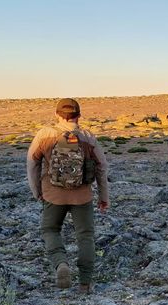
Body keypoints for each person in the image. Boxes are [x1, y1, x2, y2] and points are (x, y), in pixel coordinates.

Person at [26, 98, 109, 294]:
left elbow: (32, 163)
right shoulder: (87, 136)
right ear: (79, 115)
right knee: (85, 236)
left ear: (57, 115)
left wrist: (37, 191)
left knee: (50, 229)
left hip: (53, 194)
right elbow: (102, 167)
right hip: (82, 196)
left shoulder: (45, 135)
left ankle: (61, 263)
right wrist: (103, 197)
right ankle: (85, 284)